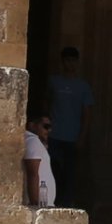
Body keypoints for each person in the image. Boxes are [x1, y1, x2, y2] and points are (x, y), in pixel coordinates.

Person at [43, 46, 94, 203]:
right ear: (62, 62)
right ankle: (51, 201)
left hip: (72, 137)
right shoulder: (54, 82)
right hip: (54, 135)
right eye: (67, 61)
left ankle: (66, 203)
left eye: (73, 61)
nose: (70, 64)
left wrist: (82, 137)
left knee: (70, 173)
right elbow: (46, 104)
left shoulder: (83, 86)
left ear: (77, 63)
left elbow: (86, 113)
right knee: (52, 170)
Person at [23, 109, 57, 208]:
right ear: (32, 125)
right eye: (45, 127)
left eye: (50, 127)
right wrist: (36, 205)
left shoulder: (35, 142)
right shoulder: (33, 141)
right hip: (40, 206)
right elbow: (32, 173)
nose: (49, 130)